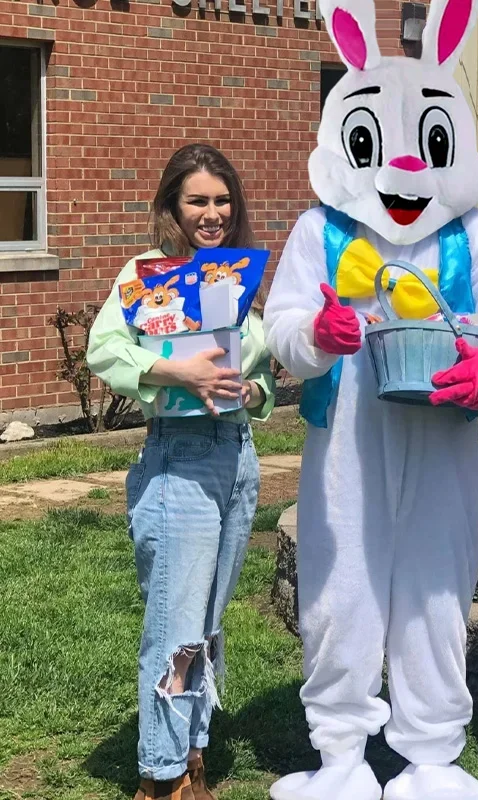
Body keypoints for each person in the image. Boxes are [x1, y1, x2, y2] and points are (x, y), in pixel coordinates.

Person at [262, 0, 478, 798]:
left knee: (437, 588)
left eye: (430, 143)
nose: (408, 167)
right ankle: (341, 755)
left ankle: (430, 757)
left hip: (442, 441)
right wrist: (315, 332)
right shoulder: (320, 232)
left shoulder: (473, 233)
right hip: (346, 446)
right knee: (338, 587)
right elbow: (281, 326)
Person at [87, 143, 275, 800]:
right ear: (173, 204)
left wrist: (251, 392)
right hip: (181, 460)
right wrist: (177, 371)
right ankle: (160, 777)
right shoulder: (146, 275)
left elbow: (261, 378)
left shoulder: (235, 281)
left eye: (223, 200)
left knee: (205, 626)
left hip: (239, 458)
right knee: (175, 630)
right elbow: (104, 349)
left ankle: (192, 755)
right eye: (198, 199)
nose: (213, 212)